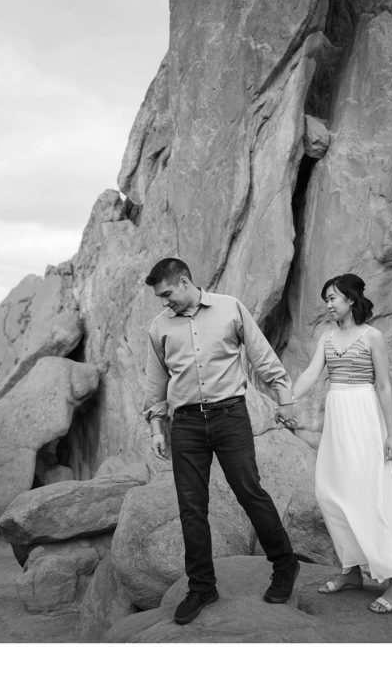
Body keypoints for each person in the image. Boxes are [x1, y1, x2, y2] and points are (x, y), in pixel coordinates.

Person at [143, 258, 301, 625]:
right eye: (160, 298)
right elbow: (156, 383)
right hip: (185, 425)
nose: (165, 302)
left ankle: (285, 564)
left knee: (250, 492)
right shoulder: (159, 327)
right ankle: (202, 586)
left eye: (167, 294)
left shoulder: (230, 308)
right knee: (191, 507)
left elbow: (261, 353)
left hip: (230, 416)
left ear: (184, 281)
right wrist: (156, 427)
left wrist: (284, 395)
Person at [287, 273, 392, 614]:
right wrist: (287, 400)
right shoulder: (327, 338)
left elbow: (385, 387)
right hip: (337, 421)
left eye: (332, 298)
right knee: (329, 492)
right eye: (326, 299)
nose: (328, 305)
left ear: (349, 299)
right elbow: (311, 374)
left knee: (371, 496)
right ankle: (351, 571)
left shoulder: (372, 337)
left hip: (363, 418)